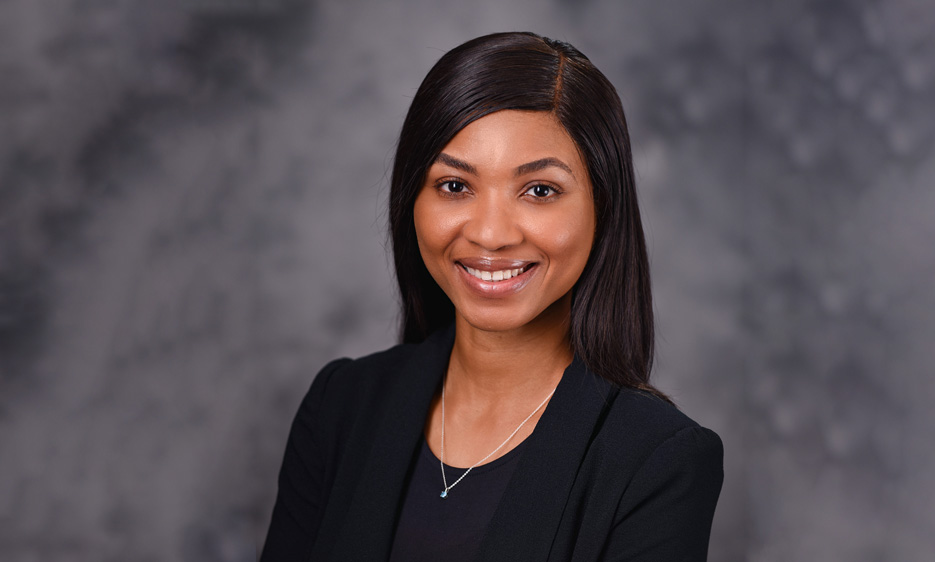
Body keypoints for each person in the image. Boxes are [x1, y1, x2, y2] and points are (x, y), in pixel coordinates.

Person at [260, 31, 723, 561]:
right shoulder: (340, 407)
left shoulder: (658, 461)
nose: (490, 234)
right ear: (411, 199)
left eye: (539, 191)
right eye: (455, 186)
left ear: (603, 209)